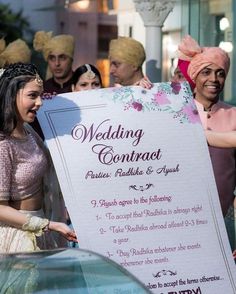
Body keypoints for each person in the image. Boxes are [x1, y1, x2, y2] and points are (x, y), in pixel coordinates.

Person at [0, 62, 77, 253]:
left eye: (41, 95)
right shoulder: (3, 143)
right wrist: (49, 225)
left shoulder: (27, 131)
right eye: (32, 95)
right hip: (16, 239)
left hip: (39, 230)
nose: (40, 102)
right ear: (11, 96)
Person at [178, 35, 236, 252]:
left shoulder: (233, 115)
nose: (214, 79)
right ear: (195, 76)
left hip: (226, 218)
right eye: (206, 72)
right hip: (183, 219)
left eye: (220, 73)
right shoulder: (176, 112)